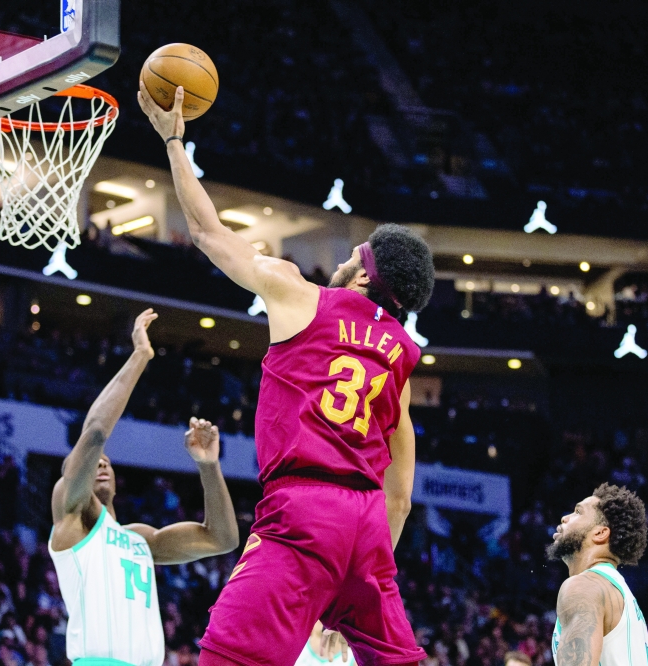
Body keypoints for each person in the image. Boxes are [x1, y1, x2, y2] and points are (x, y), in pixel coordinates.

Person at [139, 85, 436, 666]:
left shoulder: (301, 294)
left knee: (228, 656)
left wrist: (174, 141)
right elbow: (399, 495)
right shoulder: (400, 358)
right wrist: (363, 576)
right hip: (369, 527)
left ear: (361, 276)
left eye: (356, 253)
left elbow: (207, 233)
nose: (347, 255)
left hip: (304, 511)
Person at [48, 310, 239, 666]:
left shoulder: (141, 540)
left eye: (108, 462)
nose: (102, 462)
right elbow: (94, 434)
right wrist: (140, 356)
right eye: (93, 463)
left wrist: (209, 467)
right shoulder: (73, 520)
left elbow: (222, 539)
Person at [547, 483, 648, 666]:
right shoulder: (618, 592)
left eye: (578, 512)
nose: (565, 518)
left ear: (600, 533)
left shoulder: (584, 586)